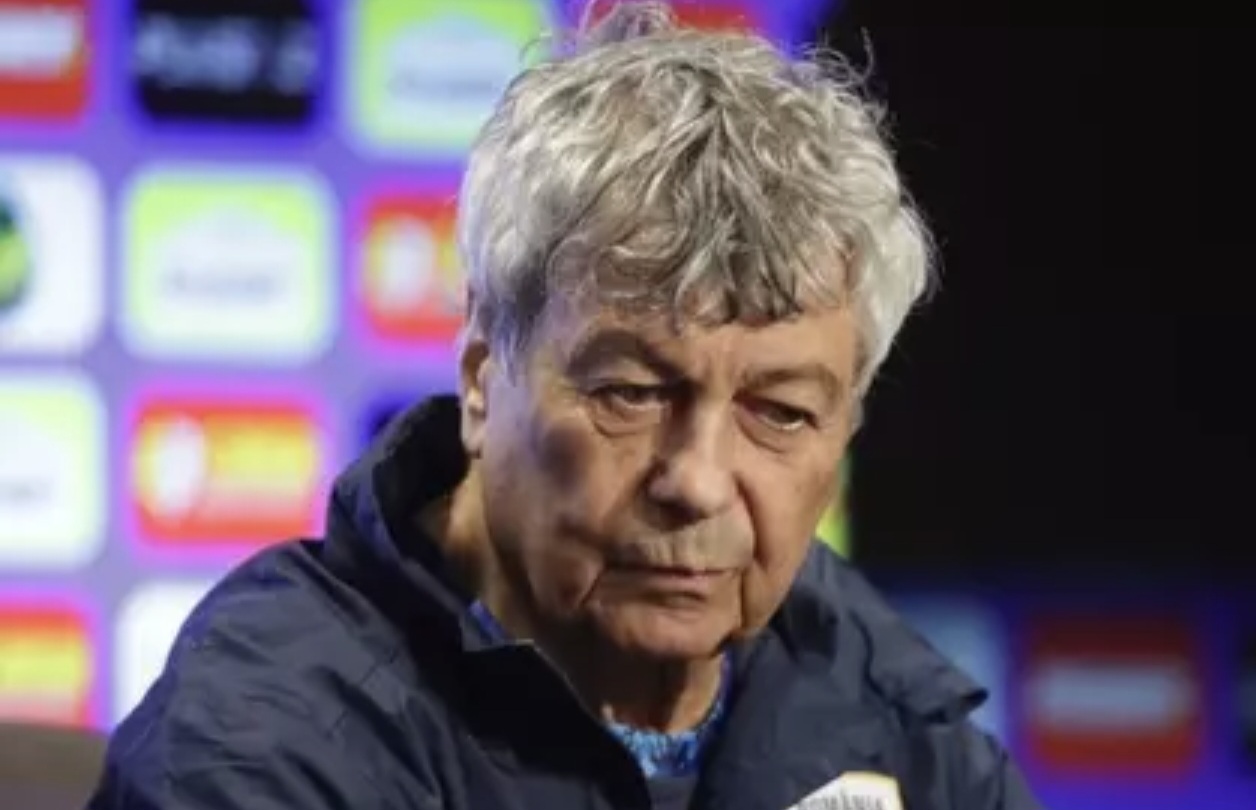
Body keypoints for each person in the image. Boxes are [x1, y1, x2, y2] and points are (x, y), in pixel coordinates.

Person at [88, 3, 1043, 808]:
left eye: (781, 412)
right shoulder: (265, 747)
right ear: (480, 375)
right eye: (631, 393)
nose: (699, 483)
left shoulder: (880, 703)